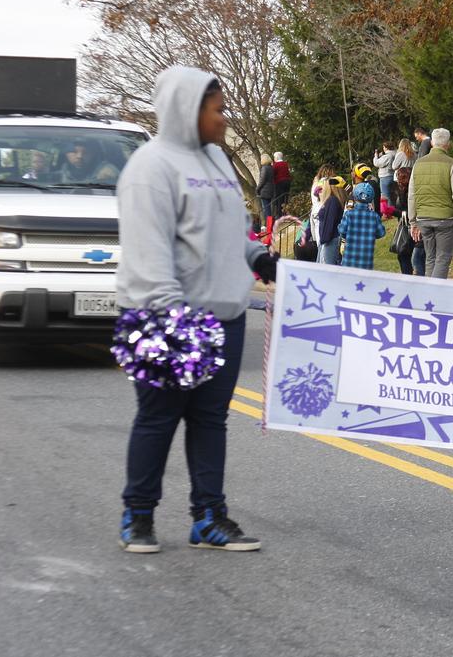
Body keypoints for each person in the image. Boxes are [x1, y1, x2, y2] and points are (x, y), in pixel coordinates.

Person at [115, 66, 277, 553]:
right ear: (188, 110)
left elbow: (229, 234)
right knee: (159, 419)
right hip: (164, 316)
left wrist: (258, 257)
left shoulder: (219, 162)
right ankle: (137, 516)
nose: (225, 119)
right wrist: (174, 321)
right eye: (218, 109)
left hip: (224, 316)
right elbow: (149, 254)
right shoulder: (150, 167)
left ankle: (208, 517)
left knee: (210, 421)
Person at [408, 127, 453, 279]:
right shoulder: (452, 164)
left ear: (432, 143)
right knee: (443, 258)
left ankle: (428, 295)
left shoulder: (418, 164)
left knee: (430, 257)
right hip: (444, 218)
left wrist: (412, 220)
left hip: (423, 218)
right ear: (448, 144)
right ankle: (435, 295)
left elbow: (411, 195)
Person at [339, 182, 386, 270]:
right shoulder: (374, 216)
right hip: (366, 262)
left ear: (355, 197)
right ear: (371, 198)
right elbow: (381, 233)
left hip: (349, 260)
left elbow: (342, 231)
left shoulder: (349, 214)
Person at [386, 166, 415, 274]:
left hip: (411, 224)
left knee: (406, 254)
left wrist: (392, 211)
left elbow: (408, 212)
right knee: (403, 254)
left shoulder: (412, 190)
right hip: (403, 224)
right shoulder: (396, 188)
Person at [317, 176, 348, 265]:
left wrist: (323, 240)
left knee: (328, 269)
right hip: (333, 238)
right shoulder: (336, 200)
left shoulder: (332, 201)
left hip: (331, 240)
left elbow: (329, 222)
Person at [310, 164, 337, 249]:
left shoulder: (316, 182)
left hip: (315, 212)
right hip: (322, 212)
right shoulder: (324, 183)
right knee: (323, 245)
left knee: (319, 243)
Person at [256, 153, 276, 233]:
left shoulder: (264, 168)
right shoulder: (271, 168)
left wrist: (257, 189)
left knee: (266, 210)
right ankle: (269, 226)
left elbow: (262, 181)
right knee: (268, 209)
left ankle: (269, 227)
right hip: (271, 190)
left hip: (265, 191)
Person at [272, 151, 291, 215]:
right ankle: (285, 212)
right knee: (286, 197)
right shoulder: (285, 164)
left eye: (274, 157)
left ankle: (280, 214)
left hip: (279, 183)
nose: (274, 158)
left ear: (276, 157)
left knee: (279, 198)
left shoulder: (276, 165)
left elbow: (273, 174)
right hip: (287, 182)